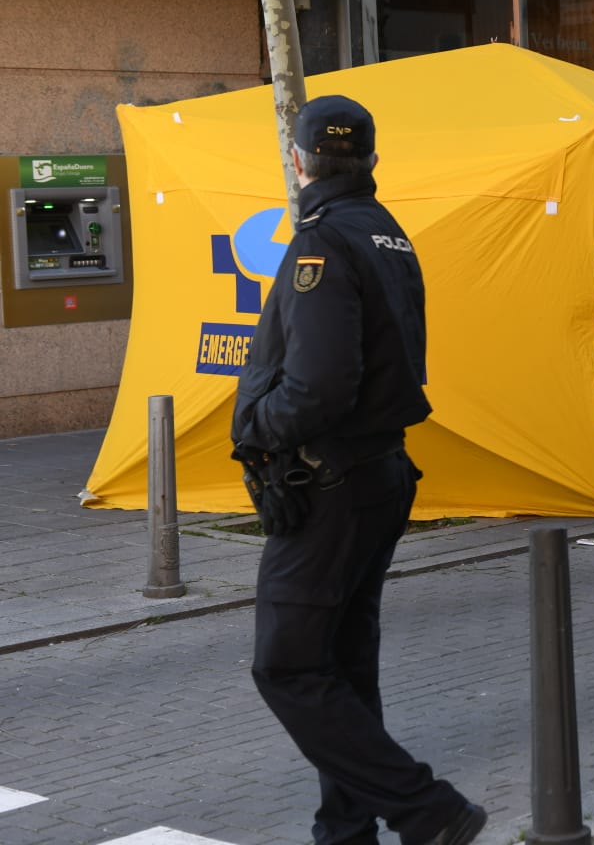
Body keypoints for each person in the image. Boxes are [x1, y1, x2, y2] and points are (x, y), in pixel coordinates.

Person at [231, 94, 486, 845]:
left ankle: (427, 809)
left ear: (300, 161)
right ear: (372, 160)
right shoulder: (385, 233)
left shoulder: (323, 243)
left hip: (332, 482)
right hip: (376, 475)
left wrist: (259, 430)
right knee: (341, 665)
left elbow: (320, 384)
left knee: (286, 667)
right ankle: (346, 833)